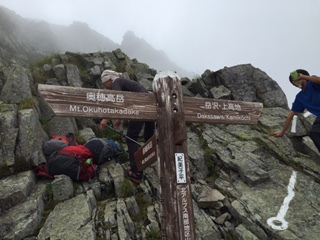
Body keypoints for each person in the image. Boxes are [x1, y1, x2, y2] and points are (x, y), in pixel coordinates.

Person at [99, 69, 155, 184]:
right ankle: (155, 155)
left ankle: (136, 172)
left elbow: (117, 101)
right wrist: (119, 118)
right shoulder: (124, 82)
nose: (106, 87)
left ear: (109, 79)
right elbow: (123, 102)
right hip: (150, 105)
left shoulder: (116, 82)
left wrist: (105, 119)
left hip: (139, 107)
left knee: (131, 138)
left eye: (105, 84)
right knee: (149, 138)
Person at [270, 69, 320, 153]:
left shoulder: (313, 83)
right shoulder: (300, 97)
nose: (295, 83)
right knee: (314, 133)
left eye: (297, 79)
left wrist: (303, 76)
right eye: (293, 82)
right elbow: (290, 116)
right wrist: (282, 133)